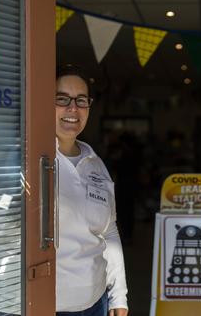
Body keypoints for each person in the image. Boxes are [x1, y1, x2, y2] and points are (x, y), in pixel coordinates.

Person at [55, 65, 128, 316]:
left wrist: (119, 297)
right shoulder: (27, 158)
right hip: (37, 303)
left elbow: (109, 232)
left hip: (93, 304)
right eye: (62, 99)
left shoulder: (95, 163)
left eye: (81, 100)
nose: (72, 108)